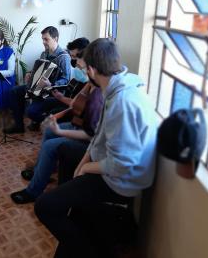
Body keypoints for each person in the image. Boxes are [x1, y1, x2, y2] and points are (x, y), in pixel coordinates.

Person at [34, 38, 158, 257]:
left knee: (44, 206)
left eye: (82, 66)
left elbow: (121, 165)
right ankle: (76, 213)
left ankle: (88, 251)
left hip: (121, 182)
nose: (80, 69)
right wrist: (83, 163)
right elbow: (98, 135)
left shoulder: (123, 102)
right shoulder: (117, 86)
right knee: (65, 151)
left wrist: (85, 169)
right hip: (109, 163)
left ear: (91, 69)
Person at [10, 54, 103, 204]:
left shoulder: (101, 95)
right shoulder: (91, 83)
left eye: (79, 64)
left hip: (88, 138)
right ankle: (40, 173)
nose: (77, 67)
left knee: (49, 145)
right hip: (80, 125)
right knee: (48, 130)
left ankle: (33, 191)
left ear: (91, 67)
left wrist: (60, 130)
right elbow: (74, 104)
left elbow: (92, 136)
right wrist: (57, 115)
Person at [5, 26, 71, 134]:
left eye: (46, 39)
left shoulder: (63, 57)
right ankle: (18, 126)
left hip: (53, 92)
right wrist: (30, 74)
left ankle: (50, 123)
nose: (44, 42)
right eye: (43, 39)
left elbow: (66, 79)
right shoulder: (44, 53)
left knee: (30, 112)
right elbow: (38, 70)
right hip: (38, 88)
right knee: (14, 91)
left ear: (56, 39)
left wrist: (51, 84)